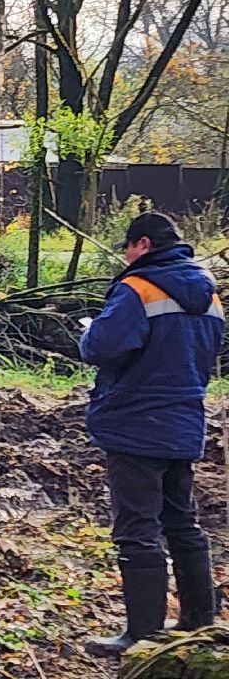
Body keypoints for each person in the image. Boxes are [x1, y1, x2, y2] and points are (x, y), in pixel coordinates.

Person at [81, 211, 224, 656]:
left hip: (134, 422)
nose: (126, 255)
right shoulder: (210, 294)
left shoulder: (137, 287)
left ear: (141, 244)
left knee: (137, 528)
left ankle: (142, 633)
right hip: (184, 419)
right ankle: (200, 620)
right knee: (182, 522)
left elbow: (103, 347)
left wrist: (88, 332)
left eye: (128, 247)